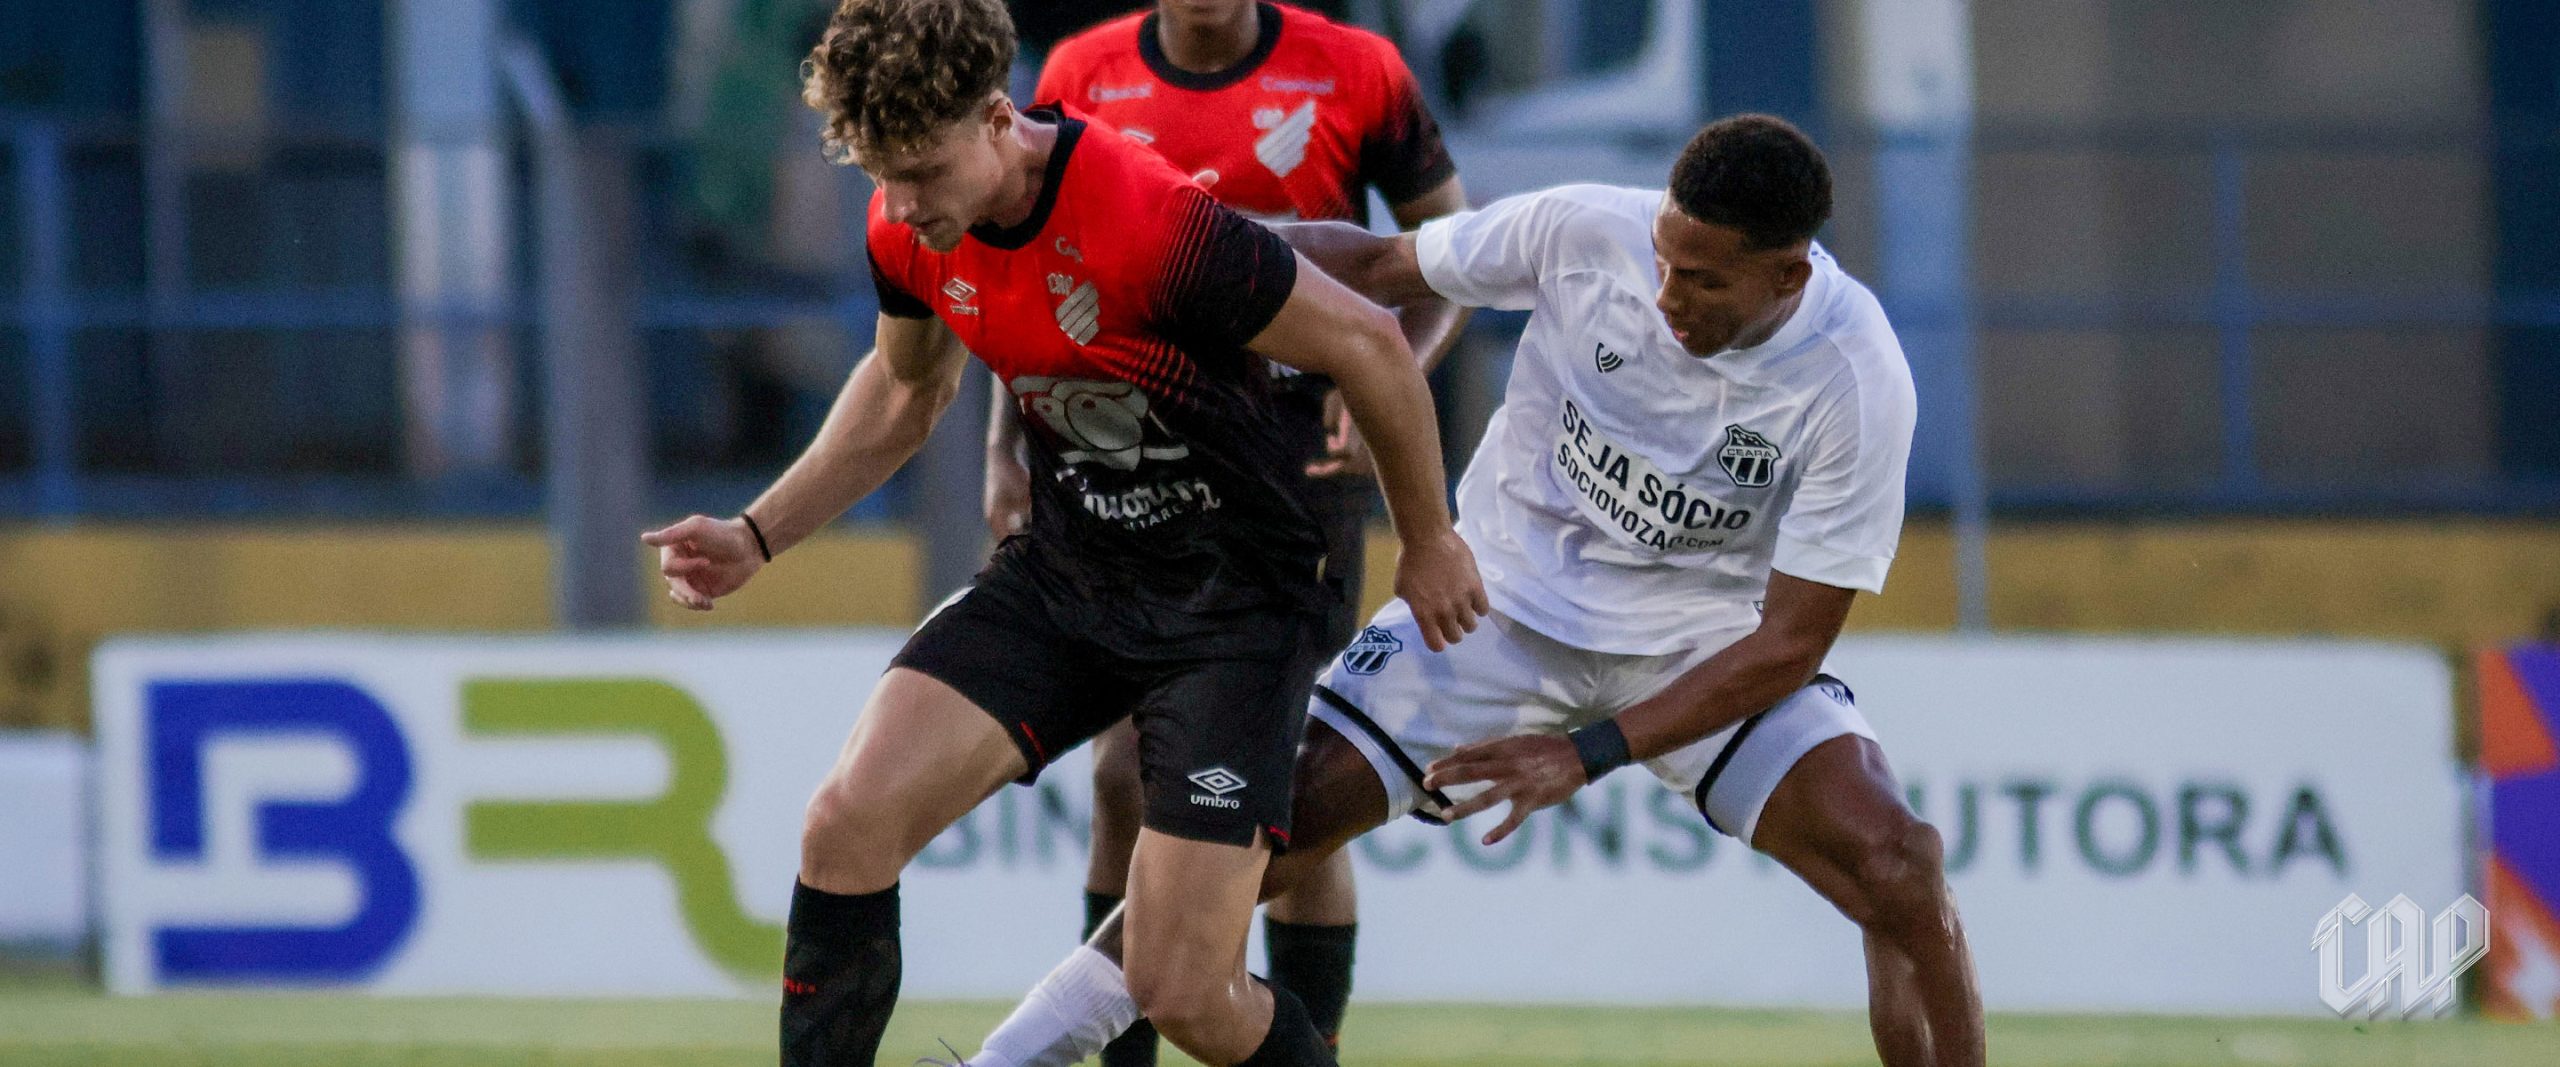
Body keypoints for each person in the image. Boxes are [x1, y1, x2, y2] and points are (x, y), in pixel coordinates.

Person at [958, 114, 1988, 1067]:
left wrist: (1583, 753)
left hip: (1700, 645)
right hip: (1492, 611)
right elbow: (1374, 262)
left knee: (1900, 866)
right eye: (1665, 260)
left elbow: (1790, 644)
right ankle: (1008, 1059)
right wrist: (1166, 241)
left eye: (1704, 281)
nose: (1667, 294)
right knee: (1253, 833)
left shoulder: (1856, 379)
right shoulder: (1585, 229)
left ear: (1789, 273)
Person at [639, 2, 1488, 1064]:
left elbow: (1369, 342)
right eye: (882, 176)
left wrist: (1429, 540)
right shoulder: (907, 224)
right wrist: (757, 533)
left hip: (1237, 602)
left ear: (999, 119)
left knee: (1183, 990)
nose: (903, 203)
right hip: (1072, 571)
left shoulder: (1148, 218)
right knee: (844, 825)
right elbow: (904, 392)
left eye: (923, 171)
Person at [984, 4, 1470, 1060]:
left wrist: (1388, 375)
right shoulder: (1081, 72)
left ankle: (1307, 1043)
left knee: (1283, 784)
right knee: (1122, 774)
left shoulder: (1358, 72)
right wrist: (1003, 444)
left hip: (1294, 459)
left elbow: (1449, 258)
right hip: (1128, 447)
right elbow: (1016, 270)